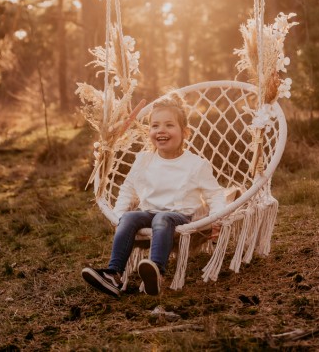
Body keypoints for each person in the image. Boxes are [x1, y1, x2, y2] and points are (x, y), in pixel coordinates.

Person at [81, 92, 226, 297]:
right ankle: (113, 275)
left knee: (162, 218)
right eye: (155, 125)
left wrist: (218, 218)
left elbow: (215, 194)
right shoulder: (144, 160)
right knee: (130, 217)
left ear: (185, 132)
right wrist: (118, 216)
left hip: (180, 216)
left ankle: (156, 271)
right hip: (148, 212)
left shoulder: (196, 164)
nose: (161, 130)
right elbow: (128, 188)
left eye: (169, 125)